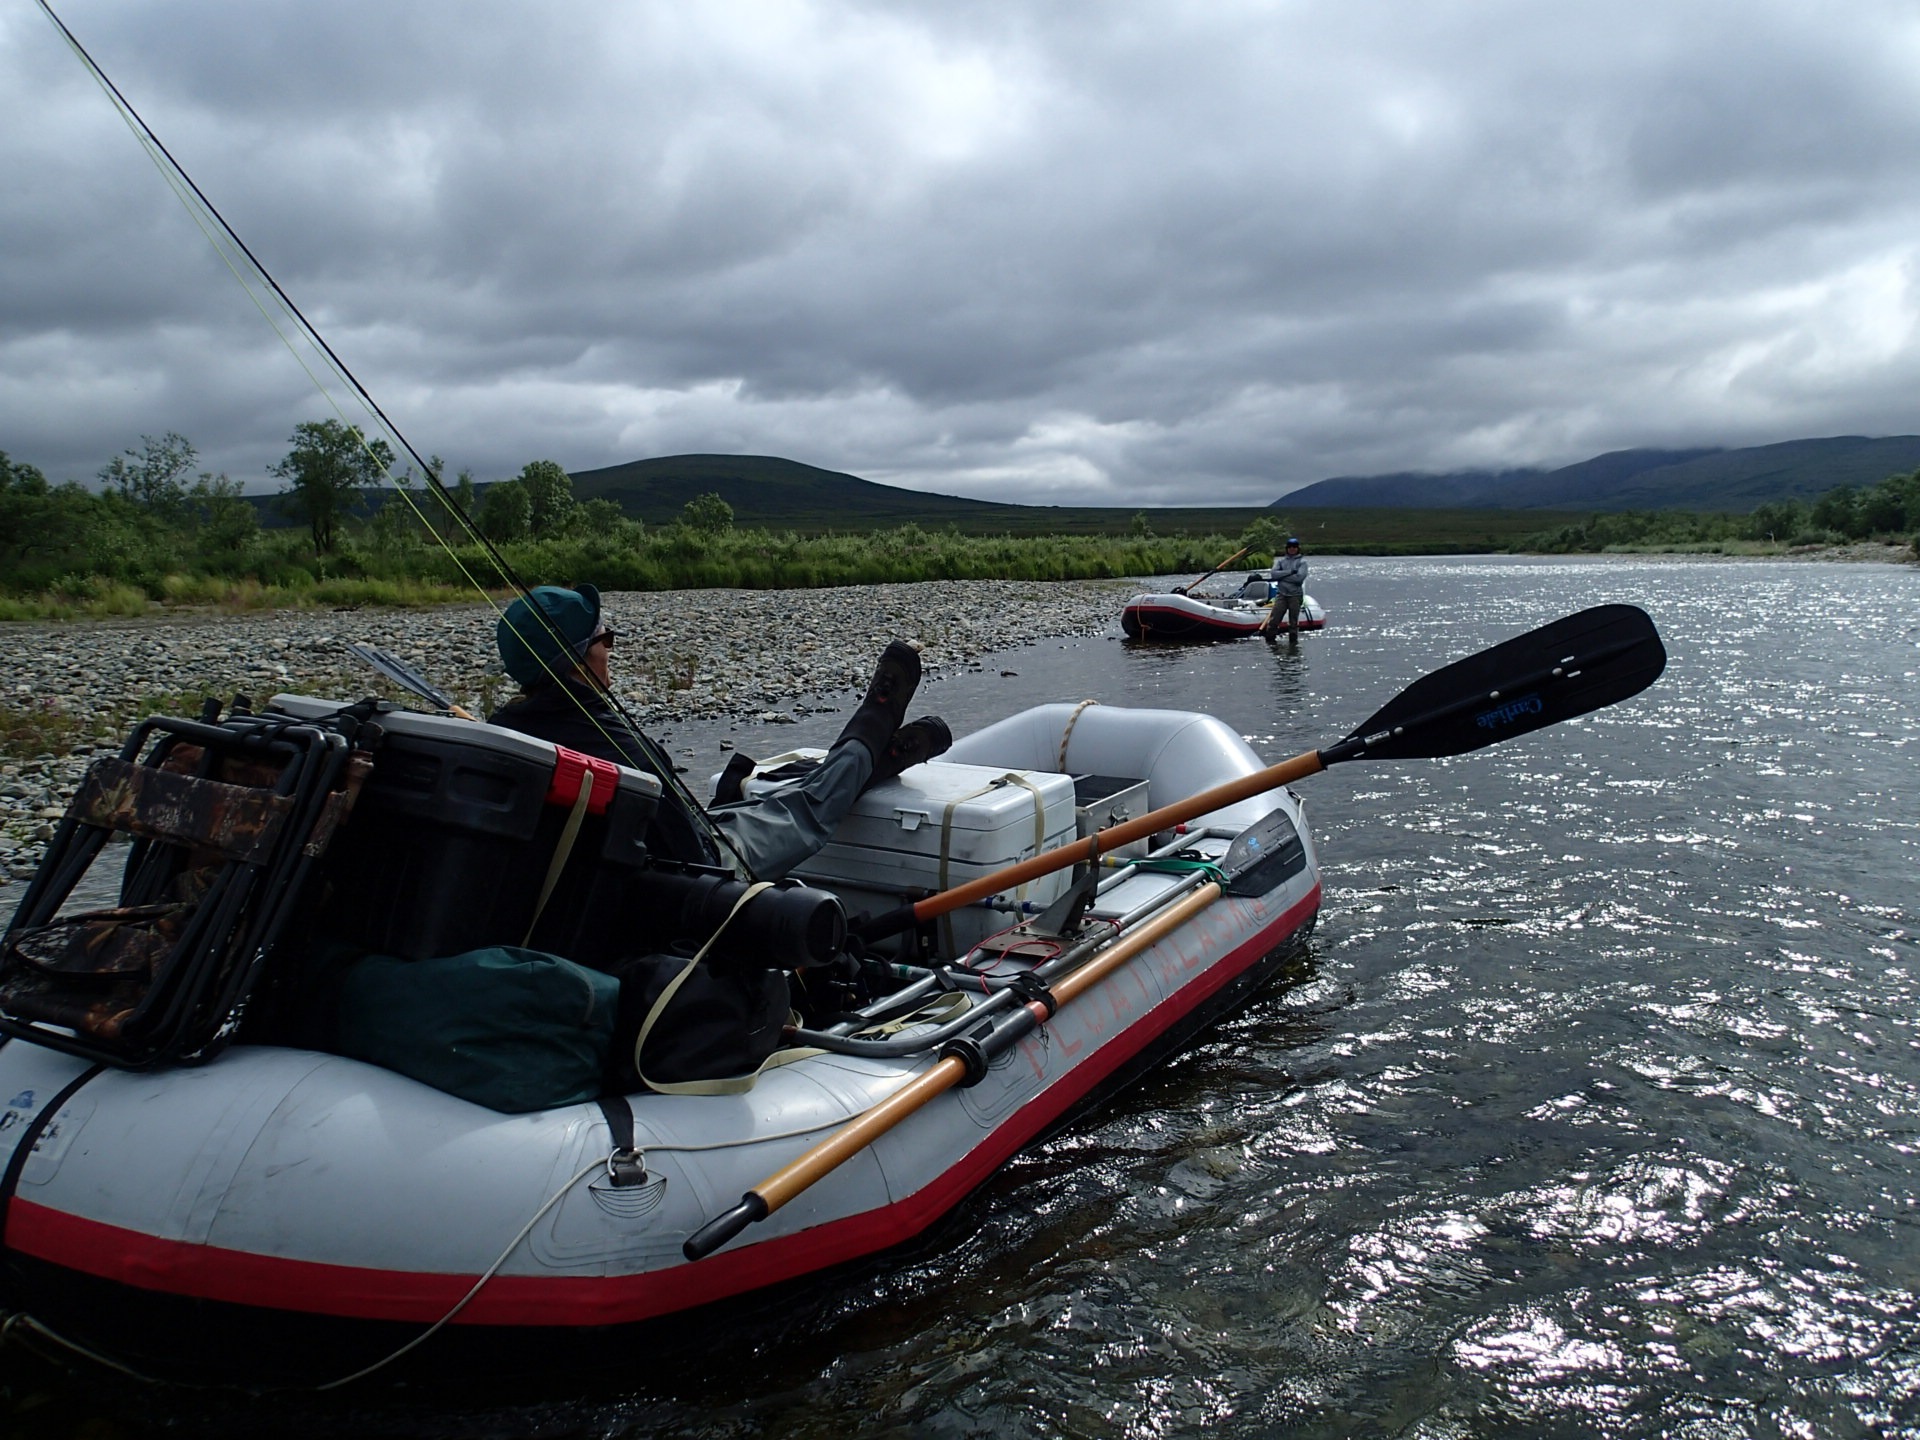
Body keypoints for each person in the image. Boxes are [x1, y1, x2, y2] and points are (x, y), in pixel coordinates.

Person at [485, 584, 950, 881]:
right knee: (810, 805)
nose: (611, 649)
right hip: (705, 870)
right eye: (605, 638)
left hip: (636, 869)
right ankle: (873, 726)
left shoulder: (502, 737)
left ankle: (875, 759)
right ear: (578, 660)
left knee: (773, 797)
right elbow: (696, 854)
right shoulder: (626, 756)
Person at [1260, 536, 1309, 644]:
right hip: (1281, 594)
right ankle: (1270, 642)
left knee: (1293, 622)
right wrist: (1290, 572)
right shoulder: (1280, 561)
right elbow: (1274, 574)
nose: (1292, 549)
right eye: (1290, 547)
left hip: (1295, 595)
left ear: (1298, 548)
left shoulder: (1302, 562)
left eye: (1294, 547)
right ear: (1287, 548)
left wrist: (1281, 576)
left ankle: (1293, 644)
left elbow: (1299, 578)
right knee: (1274, 620)